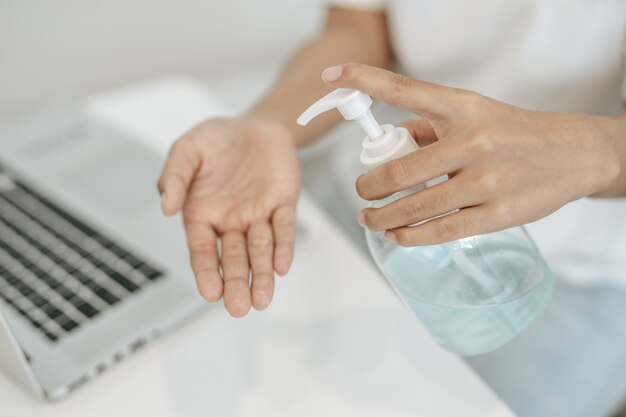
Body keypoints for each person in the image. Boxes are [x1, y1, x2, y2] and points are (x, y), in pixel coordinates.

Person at [157, 1, 626, 318]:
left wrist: (595, 155)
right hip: (385, 197)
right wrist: (270, 122)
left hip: (574, 263)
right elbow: (360, 27)